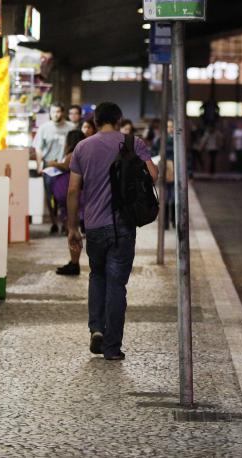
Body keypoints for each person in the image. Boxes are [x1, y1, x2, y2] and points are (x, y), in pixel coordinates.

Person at [67, 102, 157, 361]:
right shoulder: (132, 143)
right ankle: (112, 348)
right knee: (117, 285)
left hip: (94, 227)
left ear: (95, 121)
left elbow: (73, 191)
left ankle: (96, 328)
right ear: (119, 120)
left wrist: (72, 228)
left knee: (97, 276)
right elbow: (153, 175)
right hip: (123, 227)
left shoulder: (83, 147)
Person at [35, 104, 76, 234]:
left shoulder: (71, 127)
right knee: (50, 196)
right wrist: (39, 164)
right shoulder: (44, 128)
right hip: (49, 166)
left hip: (66, 166)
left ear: (63, 112)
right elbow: (38, 148)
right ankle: (54, 223)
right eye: (53, 112)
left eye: (58, 111)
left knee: (65, 196)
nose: (56, 114)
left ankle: (65, 223)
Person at [52, 129, 87, 276]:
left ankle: (74, 263)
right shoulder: (85, 153)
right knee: (75, 230)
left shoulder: (73, 154)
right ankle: (74, 262)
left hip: (74, 198)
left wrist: (53, 163)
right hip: (83, 196)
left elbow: (66, 167)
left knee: (72, 230)